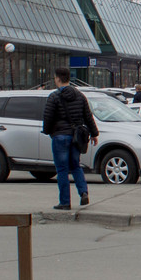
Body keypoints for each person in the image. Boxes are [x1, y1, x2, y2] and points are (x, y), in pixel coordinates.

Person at [42, 68, 98, 210]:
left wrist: (48, 131)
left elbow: (48, 117)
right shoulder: (80, 95)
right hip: (76, 137)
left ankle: (65, 202)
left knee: (62, 169)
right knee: (75, 165)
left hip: (60, 136)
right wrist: (94, 133)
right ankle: (83, 191)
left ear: (58, 79)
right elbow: (88, 116)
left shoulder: (54, 97)